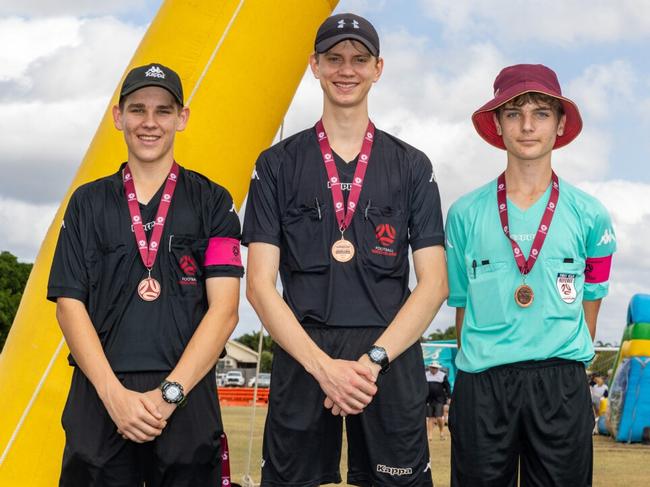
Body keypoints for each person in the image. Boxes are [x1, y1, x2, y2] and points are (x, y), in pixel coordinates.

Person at [243, 13, 448, 487]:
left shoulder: (412, 166)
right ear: (314, 66)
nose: (346, 70)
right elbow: (258, 285)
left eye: (359, 59)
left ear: (379, 68)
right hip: (303, 352)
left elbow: (434, 283)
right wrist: (323, 368)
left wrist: (370, 363)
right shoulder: (276, 164)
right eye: (334, 59)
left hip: (388, 356)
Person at [48, 63, 243, 486]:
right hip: (100, 396)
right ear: (118, 117)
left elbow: (225, 311)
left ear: (182, 117)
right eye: (137, 109)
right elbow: (69, 305)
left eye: (163, 110)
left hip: (186, 397)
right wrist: (113, 396)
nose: (149, 123)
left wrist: (170, 395)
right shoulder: (87, 202)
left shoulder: (214, 202)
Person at [445, 64, 617, 486]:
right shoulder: (464, 213)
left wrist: (563, 360)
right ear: (497, 124)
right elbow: (462, 305)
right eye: (513, 112)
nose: (526, 125)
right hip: (482, 386)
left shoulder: (591, 215)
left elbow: (590, 300)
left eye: (541, 113)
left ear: (560, 124)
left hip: (560, 384)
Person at [425, 362, 451, 440]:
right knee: (430, 418)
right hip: (429, 399)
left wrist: (449, 397)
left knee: (439, 417)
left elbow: (447, 387)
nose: (434, 369)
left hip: (439, 400)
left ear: (438, 368)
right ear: (429, 367)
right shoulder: (425, 375)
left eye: (435, 368)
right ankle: (429, 435)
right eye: (432, 367)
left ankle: (441, 432)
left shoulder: (442, 375)